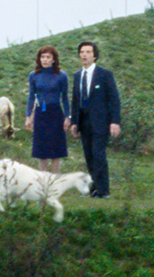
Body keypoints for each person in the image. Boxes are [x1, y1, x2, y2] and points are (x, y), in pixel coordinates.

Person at [67, 40, 121, 198]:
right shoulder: (78, 76)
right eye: (82, 52)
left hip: (101, 122)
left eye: (88, 52)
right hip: (84, 122)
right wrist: (74, 122)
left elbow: (114, 99)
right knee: (89, 156)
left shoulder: (104, 74)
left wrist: (115, 121)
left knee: (98, 155)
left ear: (95, 55)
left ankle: (104, 191)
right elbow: (75, 100)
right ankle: (94, 188)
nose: (84, 55)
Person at [22, 45, 69, 173]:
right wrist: (28, 117)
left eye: (48, 57)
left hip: (55, 113)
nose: (45, 60)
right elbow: (31, 97)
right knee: (41, 149)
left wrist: (67, 117)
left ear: (54, 59)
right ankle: (43, 180)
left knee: (56, 149)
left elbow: (65, 98)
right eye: (42, 57)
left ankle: (55, 180)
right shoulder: (34, 76)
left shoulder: (61, 76)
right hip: (40, 113)